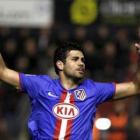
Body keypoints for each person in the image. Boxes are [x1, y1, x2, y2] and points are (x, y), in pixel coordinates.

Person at [0, 30, 140, 140]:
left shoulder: (93, 90)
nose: (81, 63)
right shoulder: (40, 85)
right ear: (60, 64)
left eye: (83, 60)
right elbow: (3, 73)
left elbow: (135, 87)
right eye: (75, 59)